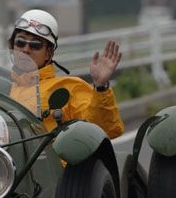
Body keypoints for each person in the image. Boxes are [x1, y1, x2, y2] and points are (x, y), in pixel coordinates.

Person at [8, 9, 124, 139]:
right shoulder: (3, 87)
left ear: (48, 53)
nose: (25, 49)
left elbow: (106, 130)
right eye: (20, 42)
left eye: (35, 45)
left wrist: (101, 87)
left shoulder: (69, 88)